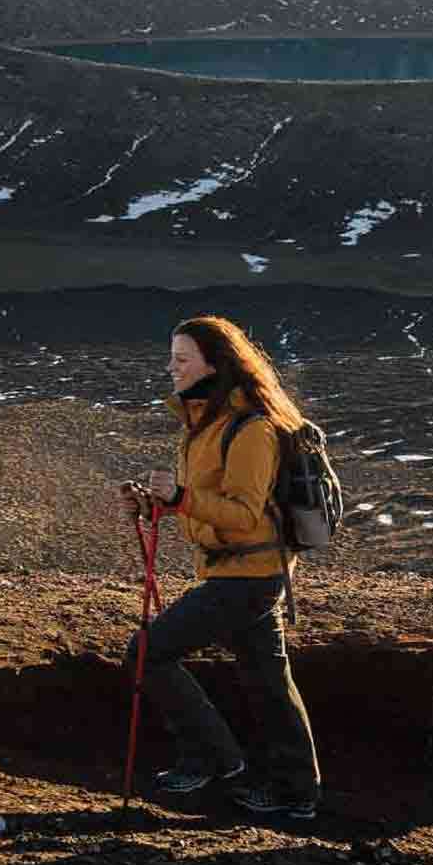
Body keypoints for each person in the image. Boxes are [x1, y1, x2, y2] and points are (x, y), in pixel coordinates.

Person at [116, 315, 322, 820]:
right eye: (172, 357)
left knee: (147, 654)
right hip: (237, 572)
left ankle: (217, 761)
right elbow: (207, 505)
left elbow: (244, 515)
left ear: (215, 363)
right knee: (267, 682)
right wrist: (156, 506)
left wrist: (181, 497)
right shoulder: (202, 426)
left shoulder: (252, 430)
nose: (171, 368)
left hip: (248, 577)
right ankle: (297, 792)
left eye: (182, 359)